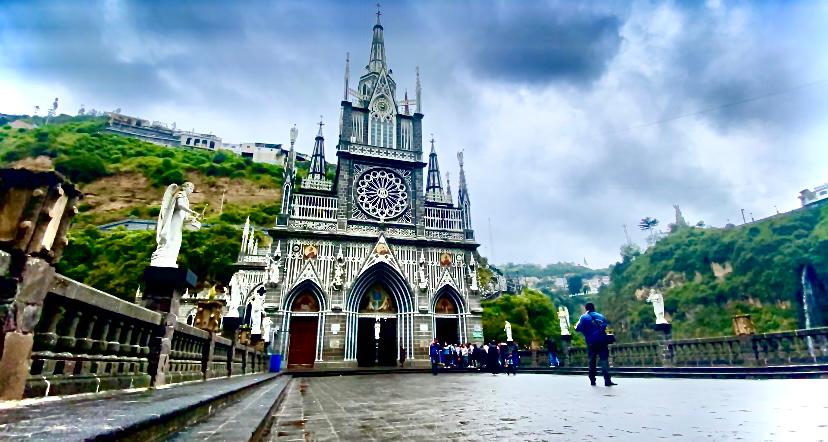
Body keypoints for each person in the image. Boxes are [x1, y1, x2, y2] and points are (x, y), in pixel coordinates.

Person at [574, 302, 617, 387]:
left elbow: (577, 328)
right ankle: (607, 380)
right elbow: (605, 327)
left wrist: (587, 332)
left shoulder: (584, 317)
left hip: (591, 342)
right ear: (594, 308)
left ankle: (592, 380)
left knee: (592, 361)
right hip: (602, 342)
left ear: (586, 309)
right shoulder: (601, 316)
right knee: (604, 360)